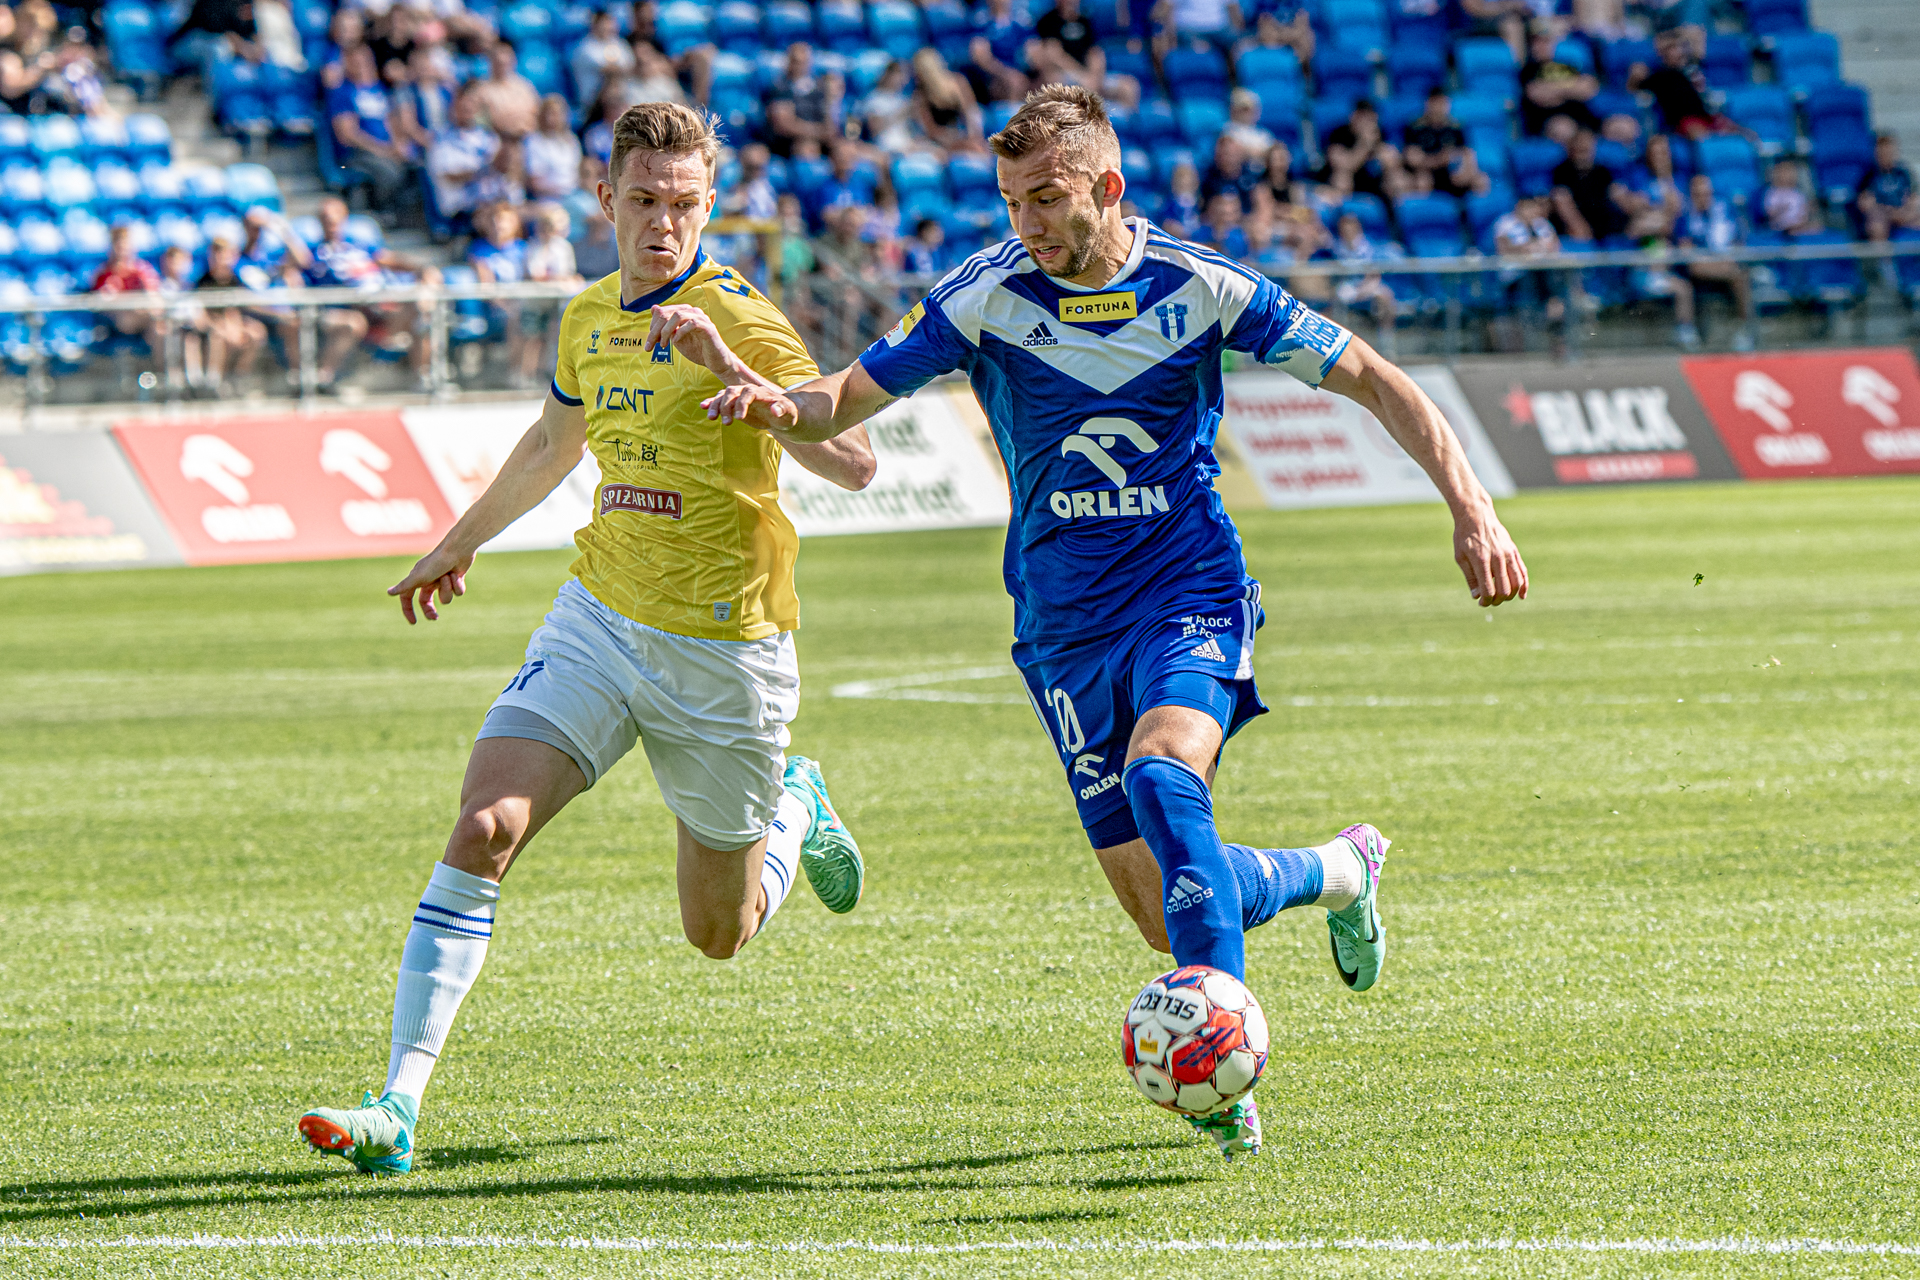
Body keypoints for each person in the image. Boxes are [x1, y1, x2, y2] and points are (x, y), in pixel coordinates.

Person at [697, 85, 1527, 1162]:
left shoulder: (1202, 285)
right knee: (1166, 904)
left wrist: (1473, 507)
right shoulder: (984, 296)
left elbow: (1372, 377)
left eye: (1047, 198)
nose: (1027, 223)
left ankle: (1226, 1076)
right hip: (1062, 629)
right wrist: (764, 395)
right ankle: (1337, 871)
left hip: (1189, 592)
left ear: (1109, 186)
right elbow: (843, 398)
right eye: (1012, 201)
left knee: (1163, 776)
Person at [296, 101, 878, 1174]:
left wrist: (738, 379)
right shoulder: (586, 317)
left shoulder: (742, 318)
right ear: (605, 198)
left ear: (712, 206)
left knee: (719, 932)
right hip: (600, 619)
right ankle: (398, 1104)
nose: (665, 223)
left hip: (725, 650)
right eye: (645, 200)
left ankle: (796, 806)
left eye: (686, 204)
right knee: (486, 825)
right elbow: (552, 443)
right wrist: (455, 543)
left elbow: (856, 461)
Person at [281, 195, 441, 389]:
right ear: (319, 221)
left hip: (381, 308)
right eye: (326, 218)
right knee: (353, 322)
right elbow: (291, 269)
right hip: (342, 310)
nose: (331, 223)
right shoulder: (312, 252)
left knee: (421, 313)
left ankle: (425, 378)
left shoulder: (359, 245)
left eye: (335, 218)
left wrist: (421, 270)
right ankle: (321, 381)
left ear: (344, 218)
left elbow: (388, 259)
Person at [328, 42, 415, 220]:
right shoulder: (342, 93)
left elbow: (391, 121)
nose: (363, 66)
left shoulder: (379, 89)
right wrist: (382, 150)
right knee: (391, 173)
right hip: (356, 155)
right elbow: (347, 134)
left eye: (366, 61)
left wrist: (398, 144)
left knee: (415, 165)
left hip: (384, 150)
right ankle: (382, 211)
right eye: (356, 62)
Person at [1675, 172, 1755, 350]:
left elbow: (1738, 243)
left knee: (1741, 277)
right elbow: (1687, 253)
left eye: (1706, 193)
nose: (1703, 198)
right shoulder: (1685, 217)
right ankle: (1688, 331)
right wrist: (1719, 263)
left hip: (1724, 265)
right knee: (1732, 272)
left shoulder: (1725, 211)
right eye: (1697, 194)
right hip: (1698, 271)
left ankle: (1744, 330)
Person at [427, 83, 514, 222]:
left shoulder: (489, 137)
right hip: (463, 209)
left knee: (541, 214)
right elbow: (450, 176)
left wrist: (508, 150)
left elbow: (503, 170)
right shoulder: (441, 140)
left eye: (471, 106)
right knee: (499, 220)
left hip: (496, 202)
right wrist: (488, 168)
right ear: (453, 107)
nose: (467, 110)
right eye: (462, 107)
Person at [195, 235, 269, 396]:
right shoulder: (203, 281)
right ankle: (214, 383)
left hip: (232, 326)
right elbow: (202, 315)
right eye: (218, 254)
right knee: (219, 337)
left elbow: (239, 307)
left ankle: (239, 376)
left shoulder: (235, 280)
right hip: (210, 330)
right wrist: (221, 326)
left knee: (256, 332)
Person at [1031, 0, 1137, 108]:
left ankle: (1121, 118)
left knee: (1128, 87)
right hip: (1065, 75)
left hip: (1089, 74)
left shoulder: (1085, 21)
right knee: (1055, 82)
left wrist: (1095, 76)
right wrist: (1081, 76)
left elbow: (1094, 52)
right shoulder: (1048, 21)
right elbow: (1054, 55)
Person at [90, 224, 168, 354]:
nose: (122, 250)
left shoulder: (143, 270)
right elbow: (101, 305)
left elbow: (155, 299)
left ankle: (161, 364)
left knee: (160, 326)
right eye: (118, 245)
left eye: (125, 245)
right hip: (115, 323)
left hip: (145, 319)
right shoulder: (103, 274)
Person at [1630, 30, 1720, 140]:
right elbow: (1633, 88)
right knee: (1697, 131)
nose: (1677, 51)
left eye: (1678, 47)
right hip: (1683, 121)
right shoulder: (1659, 76)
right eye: (1670, 48)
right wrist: (1635, 76)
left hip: (1706, 116)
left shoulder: (1692, 69)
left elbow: (1696, 33)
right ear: (1662, 53)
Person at [1331, 210, 1400, 352]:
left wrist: (1365, 287)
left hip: (1367, 285)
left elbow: (1374, 273)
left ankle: (1386, 343)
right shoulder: (1335, 248)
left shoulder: (1369, 247)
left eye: (1351, 226)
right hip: (1346, 287)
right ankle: (1340, 347)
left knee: (1385, 296)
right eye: (1345, 227)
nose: (1348, 230)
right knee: (1337, 298)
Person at [1403, 89, 1489, 197]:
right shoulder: (1415, 127)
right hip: (1426, 172)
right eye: (1436, 103)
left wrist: (1466, 170)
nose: (1439, 108)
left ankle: (1472, 207)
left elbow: (1467, 153)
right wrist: (1439, 160)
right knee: (1422, 181)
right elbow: (1413, 159)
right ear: (1428, 104)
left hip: (1450, 172)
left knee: (1481, 180)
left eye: (1443, 103)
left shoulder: (1456, 127)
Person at [1519, 23, 1599, 138]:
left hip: (1582, 119)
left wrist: (1551, 89)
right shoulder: (1528, 70)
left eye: (1545, 41)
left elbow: (1588, 90)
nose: (1539, 46)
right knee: (1563, 129)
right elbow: (1537, 95)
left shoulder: (1569, 64)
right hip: (1547, 121)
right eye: (1535, 42)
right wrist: (1571, 88)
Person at [1549, 128, 1626, 243]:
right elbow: (1562, 201)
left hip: (1604, 224)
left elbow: (1618, 195)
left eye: (1586, 143)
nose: (1583, 146)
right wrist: (1579, 226)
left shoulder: (1603, 172)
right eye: (1579, 143)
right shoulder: (1561, 172)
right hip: (1577, 226)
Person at [1321, 100, 1403, 203]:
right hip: (1348, 179)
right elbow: (1344, 165)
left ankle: (1396, 210)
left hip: (1371, 178)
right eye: (1364, 119)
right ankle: (1346, 209)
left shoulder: (1378, 133)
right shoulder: (1339, 134)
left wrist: (1385, 158)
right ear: (1354, 117)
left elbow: (1393, 160)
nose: (1367, 124)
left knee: (1398, 177)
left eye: (1371, 120)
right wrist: (1364, 145)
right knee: (1342, 178)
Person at [910, 48, 984, 154]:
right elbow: (931, 130)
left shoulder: (958, 82)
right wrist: (957, 142)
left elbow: (971, 113)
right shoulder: (920, 96)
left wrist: (973, 137)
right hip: (941, 142)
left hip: (963, 134)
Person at [966, 0, 1032, 106]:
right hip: (993, 76)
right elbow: (980, 57)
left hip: (1022, 70)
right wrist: (1007, 74)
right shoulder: (980, 21)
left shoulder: (1022, 19)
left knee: (1049, 78)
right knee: (1014, 82)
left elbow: (1033, 48)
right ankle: (1011, 114)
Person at [568, 7, 632, 113]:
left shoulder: (619, 43)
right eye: (602, 23)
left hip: (619, 102)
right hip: (593, 106)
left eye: (608, 22)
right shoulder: (585, 48)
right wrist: (620, 69)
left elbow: (631, 66)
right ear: (594, 25)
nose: (606, 27)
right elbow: (608, 70)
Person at [473, 38, 539, 142]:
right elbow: (479, 122)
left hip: (527, 138)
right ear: (490, 60)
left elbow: (537, 114)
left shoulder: (525, 86)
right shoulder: (480, 89)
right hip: (496, 141)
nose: (502, 62)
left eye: (506, 60)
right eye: (497, 60)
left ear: (513, 60)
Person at [1859, 133, 1920, 243]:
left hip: (1903, 213)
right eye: (1883, 153)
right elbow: (1865, 204)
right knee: (1876, 227)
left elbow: (1912, 198)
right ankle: (1882, 254)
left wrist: (1904, 212)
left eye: (1889, 152)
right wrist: (1889, 213)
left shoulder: (1904, 174)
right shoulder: (1868, 176)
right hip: (1881, 216)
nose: (1886, 156)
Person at [525, 92, 583, 201]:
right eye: (551, 113)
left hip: (575, 195)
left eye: (559, 114)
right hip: (549, 199)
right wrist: (563, 190)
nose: (555, 118)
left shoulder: (571, 139)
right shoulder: (534, 141)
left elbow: (578, 172)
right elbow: (535, 183)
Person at [1758, 157, 1819, 237]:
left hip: (1798, 223)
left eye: (1789, 172)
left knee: (1817, 227)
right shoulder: (1772, 193)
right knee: (1786, 228)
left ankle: (1796, 230)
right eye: (1783, 172)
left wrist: (1809, 210)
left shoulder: (1798, 193)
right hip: (1779, 225)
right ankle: (1791, 231)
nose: (1786, 176)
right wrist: (1781, 209)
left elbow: (1804, 213)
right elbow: (1770, 214)